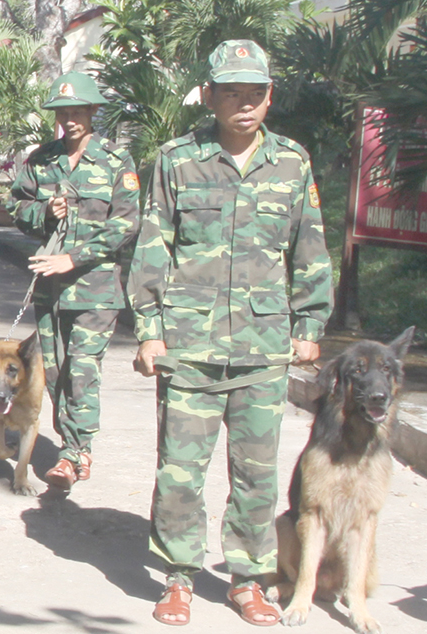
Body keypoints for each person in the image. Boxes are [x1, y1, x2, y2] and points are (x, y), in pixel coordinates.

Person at [127, 40, 334, 626]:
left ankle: (248, 579)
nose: (244, 103)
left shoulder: (292, 162)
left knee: (257, 472)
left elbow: (310, 246)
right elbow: (152, 246)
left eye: (255, 92)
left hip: (263, 349)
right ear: (210, 95)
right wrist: (149, 329)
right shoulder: (177, 160)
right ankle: (178, 575)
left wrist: (311, 322)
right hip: (188, 346)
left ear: (270, 97)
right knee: (179, 471)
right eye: (232, 92)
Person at [6, 71, 140, 491]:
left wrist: (73, 257)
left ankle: (74, 452)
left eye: (79, 110)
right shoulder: (42, 161)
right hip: (50, 290)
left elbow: (127, 224)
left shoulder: (117, 162)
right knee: (57, 371)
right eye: (65, 112)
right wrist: (45, 211)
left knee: (82, 371)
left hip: (96, 290)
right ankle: (73, 443)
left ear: (94, 111)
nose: (72, 119)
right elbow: (15, 206)